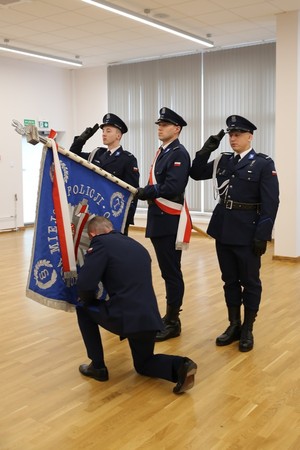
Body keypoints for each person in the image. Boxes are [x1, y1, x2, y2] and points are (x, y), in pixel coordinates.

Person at [76, 216, 197, 395]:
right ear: (111, 228)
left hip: (125, 315)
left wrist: (89, 300)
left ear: (93, 234)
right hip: (149, 317)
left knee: (82, 309)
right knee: (144, 364)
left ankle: (98, 367)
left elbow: (86, 285)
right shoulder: (135, 245)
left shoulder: (101, 243)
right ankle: (181, 365)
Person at [190, 115, 279, 352]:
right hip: (224, 228)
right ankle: (233, 325)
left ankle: (248, 328)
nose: (232, 138)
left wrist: (263, 234)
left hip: (249, 231)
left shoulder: (263, 163)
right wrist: (206, 150)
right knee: (229, 280)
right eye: (230, 134)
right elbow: (196, 173)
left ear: (250, 136)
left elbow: (271, 203)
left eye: (237, 134)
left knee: (250, 282)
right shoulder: (223, 160)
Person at [136, 107, 191, 342]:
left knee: (171, 272)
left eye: (165, 124)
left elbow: (172, 187)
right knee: (167, 271)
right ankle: (168, 317)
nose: (160, 127)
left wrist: (145, 192)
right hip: (159, 219)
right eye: (159, 124)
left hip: (169, 220)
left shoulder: (179, 153)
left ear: (176, 129)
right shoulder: (163, 151)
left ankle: (172, 321)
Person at [69, 113, 139, 235]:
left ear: (118, 135)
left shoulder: (127, 159)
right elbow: (73, 155)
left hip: (114, 212)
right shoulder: (97, 154)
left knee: (115, 247)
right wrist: (81, 140)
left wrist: (127, 217)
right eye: (103, 131)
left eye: (108, 131)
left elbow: (132, 190)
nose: (104, 134)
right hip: (95, 210)